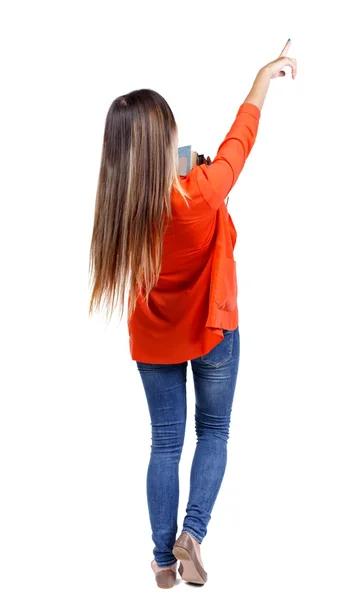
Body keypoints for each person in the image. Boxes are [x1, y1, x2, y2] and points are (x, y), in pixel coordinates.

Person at [88, 39, 297, 589]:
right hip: (213, 329)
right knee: (214, 430)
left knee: (164, 442)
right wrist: (262, 77)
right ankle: (192, 535)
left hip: (154, 341)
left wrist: (184, 161)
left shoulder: (119, 207)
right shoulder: (201, 193)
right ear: (164, 144)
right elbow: (239, 139)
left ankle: (162, 561)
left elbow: (172, 169)